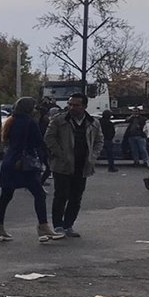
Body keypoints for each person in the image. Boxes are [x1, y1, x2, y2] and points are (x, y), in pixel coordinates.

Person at [0, 97, 62, 243]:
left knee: (6, 196)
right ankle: (43, 226)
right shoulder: (29, 122)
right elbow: (37, 142)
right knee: (39, 194)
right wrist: (48, 157)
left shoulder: (11, 121)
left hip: (10, 162)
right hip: (25, 165)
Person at [44, 93, 103, 238]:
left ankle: (68, 224)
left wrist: (93, 156)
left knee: (76, 197)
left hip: (82, 165)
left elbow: (99, 141)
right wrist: (60, 154)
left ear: (84, 106)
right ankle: (58, 225)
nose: (72, 107)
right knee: (61, 195)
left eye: (76, 105)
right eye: (70, 104)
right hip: (62, 165)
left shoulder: (93, 122)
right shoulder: (59, 120)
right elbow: (49, 137)